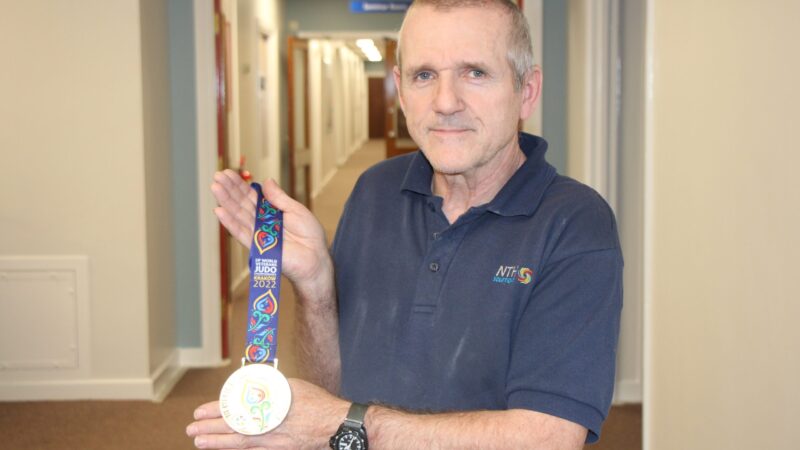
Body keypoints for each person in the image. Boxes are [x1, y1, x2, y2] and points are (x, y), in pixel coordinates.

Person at [187, 0, 622, 448]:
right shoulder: (374, 190)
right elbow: (333, 386)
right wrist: (315, 285)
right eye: (424, 75)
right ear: (400, 88)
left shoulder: (575, 224)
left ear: (526, 90)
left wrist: (349, 424)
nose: (446, 102)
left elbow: (549, 438)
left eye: (475, 72)